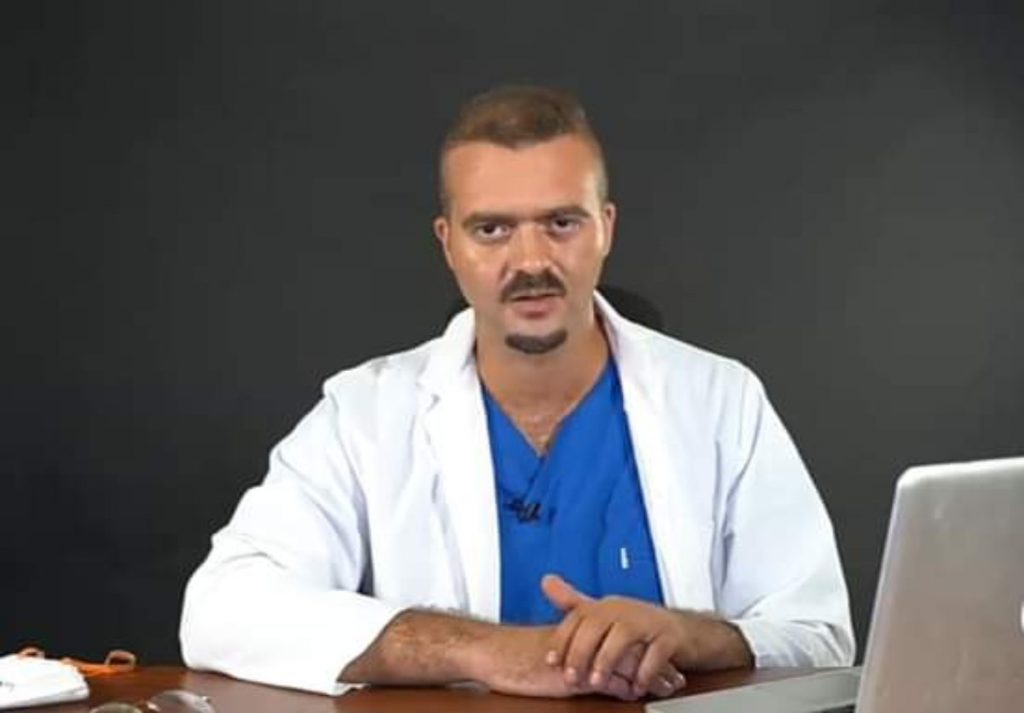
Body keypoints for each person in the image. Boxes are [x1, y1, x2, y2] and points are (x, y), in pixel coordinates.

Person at [179, 86, 855, 701]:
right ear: (448, 243)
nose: (530, 261)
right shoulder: (365, 412)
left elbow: (820, 634)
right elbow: (221, 607)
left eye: (561, 222)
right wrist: (488, 650)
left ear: (606, 227)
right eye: (492, 229)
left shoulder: (720, 399)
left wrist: (688, 634)